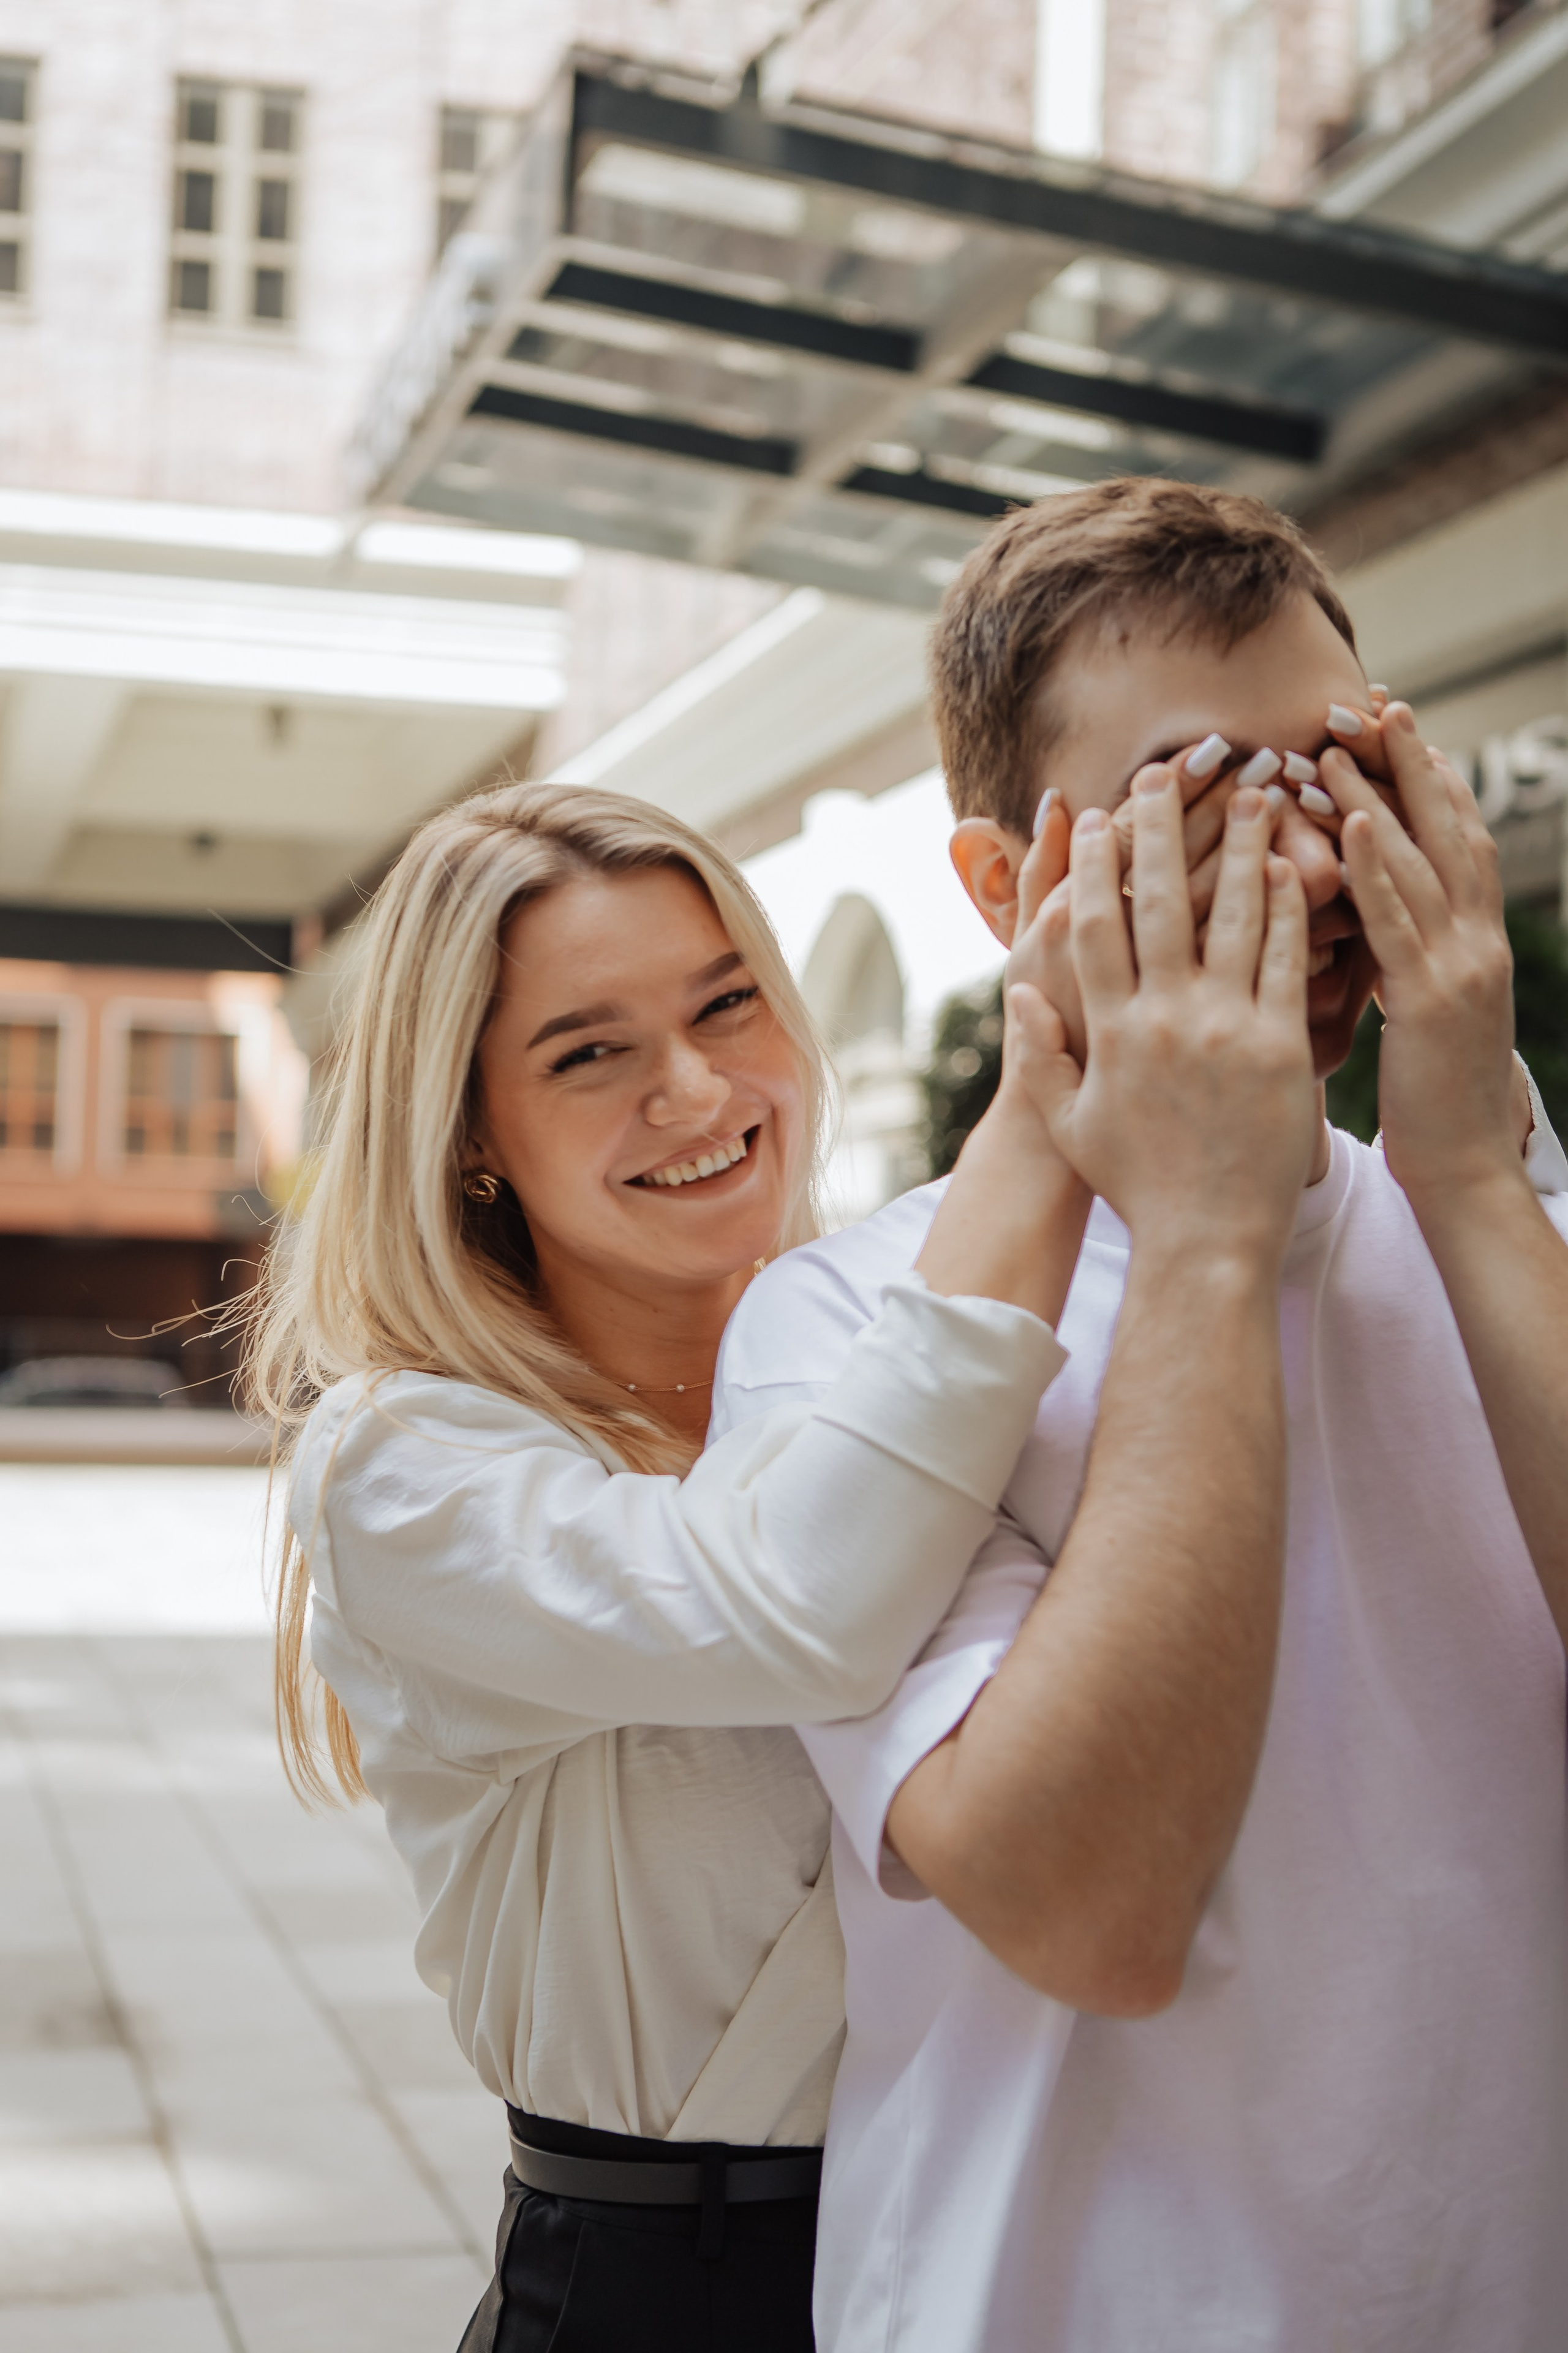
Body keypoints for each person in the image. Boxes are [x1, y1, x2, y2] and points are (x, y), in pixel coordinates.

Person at [710, 479, 1568, 2352]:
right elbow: (1093, 1911)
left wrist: (1479, 1185)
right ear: (1011, 890)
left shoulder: (1512, 1222)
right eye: (1204, 802)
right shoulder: (846, 1331)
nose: (1309, 868)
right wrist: (1198, 1235)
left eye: (1338, 778)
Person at [249, 780, 1091, 2353]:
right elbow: (797, 1608)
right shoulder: (400, 1464)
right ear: (468, 1131)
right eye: (589, 1052)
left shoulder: (873, 1348)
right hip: (674, 2284)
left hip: (1011, 2228)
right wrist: (1046, 1125)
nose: (698, 1089)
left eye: (728, 1005)